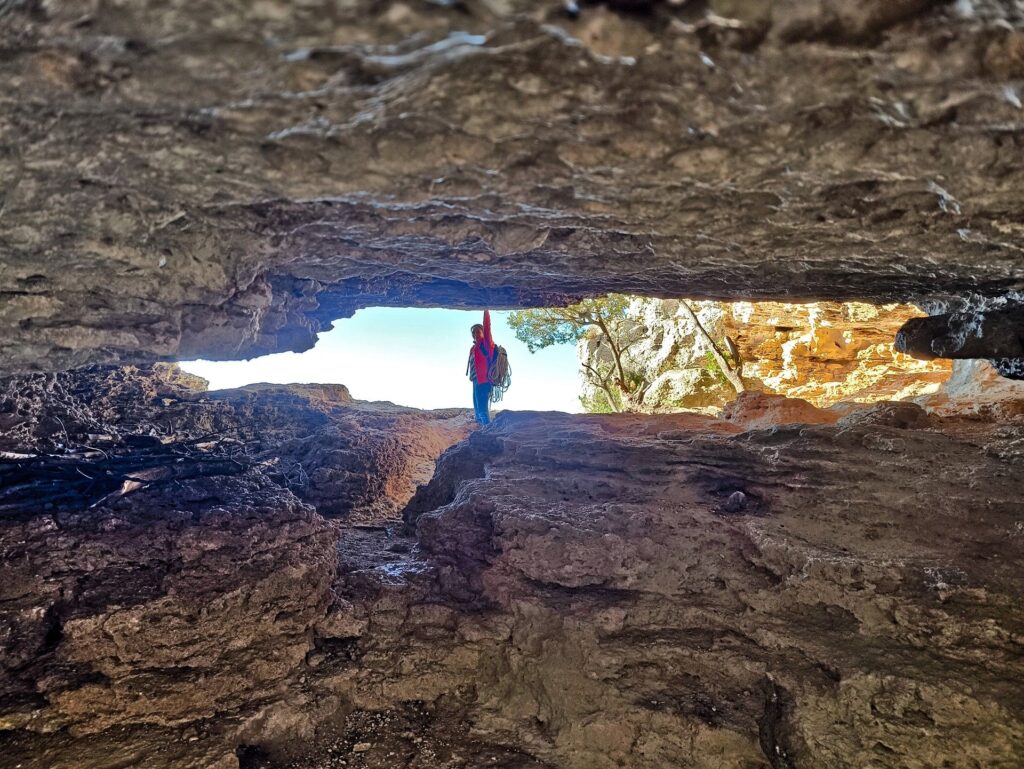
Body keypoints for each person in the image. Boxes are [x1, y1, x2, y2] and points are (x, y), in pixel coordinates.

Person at [467, 309, 496, 425]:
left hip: (484, 381)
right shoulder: (473, 348)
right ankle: (481, 430)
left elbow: (487, 327)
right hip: (475, 380)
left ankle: (487, 430)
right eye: (473, 333)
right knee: (477, 408)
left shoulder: (487, 344)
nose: (475, 334)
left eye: (477, 331)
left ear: (483, 332)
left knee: (483, 409)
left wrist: (486, 309)